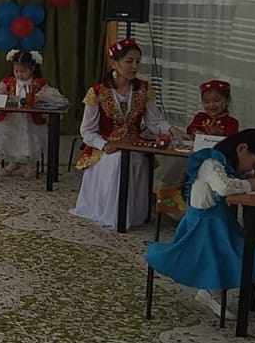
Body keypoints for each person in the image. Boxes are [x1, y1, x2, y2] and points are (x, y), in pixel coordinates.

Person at [144, 129, 255, 335]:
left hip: (216, 225)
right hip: (205, 229)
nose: (253, 169)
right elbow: (224, 187)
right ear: (242, 149)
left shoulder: (222, 165)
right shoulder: (211, 163)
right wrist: (250, 184)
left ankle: (217, 294)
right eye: (254, 163)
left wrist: (245, 179)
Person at [70, 37, 183, 229]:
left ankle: (134, 215)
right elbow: (87, 131)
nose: (135, 66)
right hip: (106, 147)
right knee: (117, 162)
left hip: (134, 144)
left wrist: (170, 129)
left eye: (138, 61)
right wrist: (104, 145)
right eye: (129, 61)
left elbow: (154, 121)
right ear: (114, 63)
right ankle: (113, 215)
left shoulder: (143, 89)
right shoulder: (97, 92)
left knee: (135, 160)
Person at [0, 49, 67, 178]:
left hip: (30, 119)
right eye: (16, 71)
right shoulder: (8, 82)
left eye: (23, 72)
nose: (19, 75)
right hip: (12, 117)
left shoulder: (38, 83)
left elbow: (52, 97)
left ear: (32, 69)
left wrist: (39, 97)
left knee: (29, 140)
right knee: (10, 138)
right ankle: (13, 162)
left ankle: (31, 165)